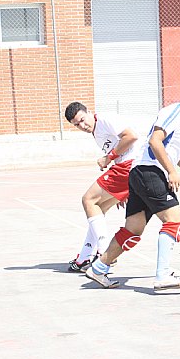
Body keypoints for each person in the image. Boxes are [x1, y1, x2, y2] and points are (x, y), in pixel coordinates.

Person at [85, 76, 180, 291]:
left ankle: (99, 268)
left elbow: (179, 157)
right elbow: (154, 141)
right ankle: (163, 275)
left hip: (141, 173)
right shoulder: (175, 112)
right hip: (150, 172)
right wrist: (171, 172)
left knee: (133, 229)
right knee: (174, 220)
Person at [64, 102, 141, 272]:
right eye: (77, 125)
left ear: (89, 112)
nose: (82, 126)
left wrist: (108, 157)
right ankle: (84, 258)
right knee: (98, 208)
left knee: (88, 200)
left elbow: (131, 136)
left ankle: (104, 251)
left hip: (128, 166)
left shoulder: (106, 119)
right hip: (127, 169)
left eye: (83, 120)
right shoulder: (95, 131)